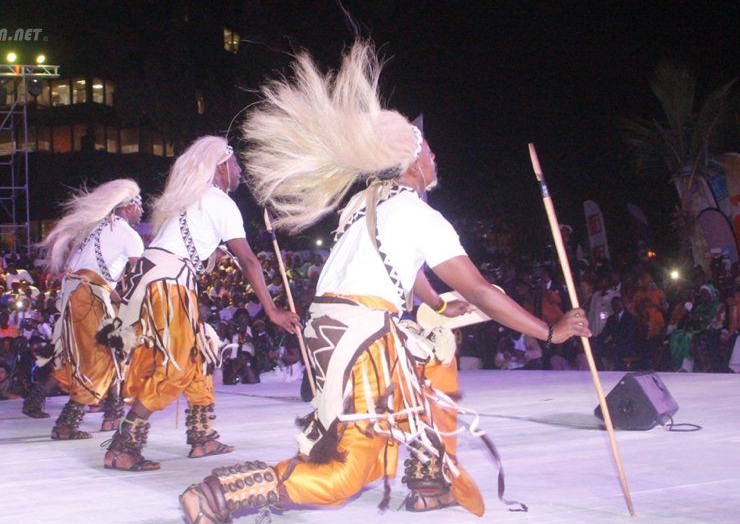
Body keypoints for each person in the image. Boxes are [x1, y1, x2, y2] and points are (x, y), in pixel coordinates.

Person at [178, 40, 590, 522]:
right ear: (414, 161)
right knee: (347, 473)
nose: (437, 160)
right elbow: (480, 291)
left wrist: (435, 304)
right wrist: (550, 332)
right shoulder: (419, 215)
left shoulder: (365, 206)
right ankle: (220, 496)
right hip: (363, 335)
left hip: (336, 328)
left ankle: (429, 481)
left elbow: (401, 267)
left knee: (434, 354)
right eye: (432, 152)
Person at [103, 135, 299, 471]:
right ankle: (123, 446)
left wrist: (211, 254)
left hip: (155, 280)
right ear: (221, 166)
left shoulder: (188, 199)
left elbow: (184, 244)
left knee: (197, 356)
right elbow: (250, 261)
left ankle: (202, 436)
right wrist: (271, 309)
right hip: (169, 285)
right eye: (235, 163)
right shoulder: (220, 202)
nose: (239, 170)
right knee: (176, 366)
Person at [32, 179, 145, 438]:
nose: (142, 211)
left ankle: (110, 413)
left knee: (91, 356)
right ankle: (68, 424)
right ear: (128, 207)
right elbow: (141, 277)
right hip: (90, 298)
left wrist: (118, 299)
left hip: (78, 295)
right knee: (105, 355)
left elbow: (97, 277)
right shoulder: (128, 235)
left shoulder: (96, 231)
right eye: (139, 206)